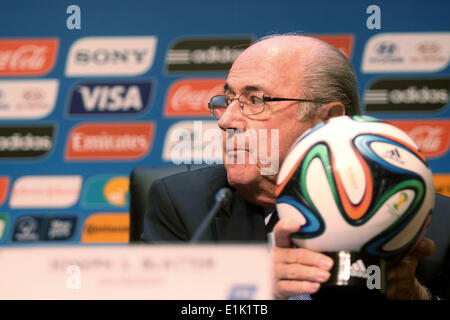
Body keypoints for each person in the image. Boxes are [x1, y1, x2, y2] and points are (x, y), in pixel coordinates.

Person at [142, 34, 444, 300]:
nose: (226, 121)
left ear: (329, 120)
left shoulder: (429, 222)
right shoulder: (187, 205)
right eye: (229, 99)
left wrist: (410, 296)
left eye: (255, 100)